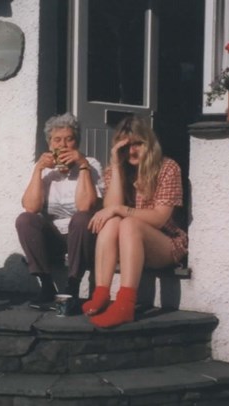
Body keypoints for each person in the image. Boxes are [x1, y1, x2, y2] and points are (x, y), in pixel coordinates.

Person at [83, 115, 188, 328]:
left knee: (127, 222)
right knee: (112, 221)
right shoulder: (115, 170)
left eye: (138, 144)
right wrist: (115, 165)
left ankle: (125, 304)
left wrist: (121, 209)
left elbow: (159, 219)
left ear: (149, 143)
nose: (132, 151)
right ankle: (102, 292)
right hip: (129, 245)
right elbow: (110, 209)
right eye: (126, 145)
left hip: (164, 244)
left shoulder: (168, 168)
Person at [16, 112, 104, 307]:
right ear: (50, 144)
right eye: (57, 140)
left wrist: (82, 166)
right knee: (25, 219)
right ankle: (46, 285)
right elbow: (30, 206)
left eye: (69, 139)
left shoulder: (91, 165)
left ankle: (73, 285)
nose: (63, 145)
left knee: (82, 218)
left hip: (82, 238)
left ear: (77, 143)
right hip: (53, 239)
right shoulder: (45, 170)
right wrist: (38, 169)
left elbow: (86, 206)